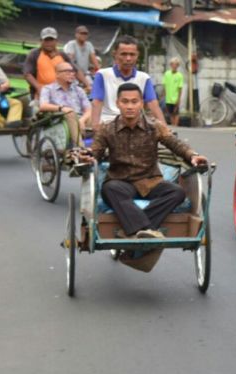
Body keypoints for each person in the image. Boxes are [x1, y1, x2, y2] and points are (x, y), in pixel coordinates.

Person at [80, 83, 208, 239]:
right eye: (125, 102)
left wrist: (193, 155)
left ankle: (134, 230)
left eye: (134, 102)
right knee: (109, 189)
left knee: (177, 192)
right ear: (117, 103)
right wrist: (88, 156)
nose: (130, 106)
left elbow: (175, 144)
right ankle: (147, 229)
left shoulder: (155, 126)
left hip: (151, 181)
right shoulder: (107, 128)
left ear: (141, 103)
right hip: (120, 181)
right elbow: (96, 151)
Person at [90, 35, 165, 130]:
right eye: (124, 54)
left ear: (137, 55)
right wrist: (95, 126)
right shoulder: (102, 75)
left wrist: (164, 128)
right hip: (109, 123)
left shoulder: (144, 77)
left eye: (132, 54)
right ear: (115, 54)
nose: (128, 58)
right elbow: (97, 102)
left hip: (136, 124)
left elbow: (153, 104)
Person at [23, 27, 90, 101]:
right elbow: (27, 74)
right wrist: (38, 87)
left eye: (51, 40)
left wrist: (87, 85)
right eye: (46, 40)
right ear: (41, 41)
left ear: (56, 41)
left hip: (62, 93)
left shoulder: (62, 55)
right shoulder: (34, 54)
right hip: (41, 94)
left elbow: (76, 70)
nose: (49, 43)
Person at [39, 62, 92, 144]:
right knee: (70, 113)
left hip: (79, 117)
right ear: (58, 74)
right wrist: (62, 108)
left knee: (97, 115)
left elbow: (88, 109)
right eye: (68, 72)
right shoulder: (48, 89)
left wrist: (82, 120)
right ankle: (81, 148)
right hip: (59, 119)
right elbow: (43, 106)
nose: (72, 74)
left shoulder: (78, 90)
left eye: (73, 72)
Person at [161, 57, 184, 126]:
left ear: (178, 66)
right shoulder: (167, 74)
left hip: (175, 98)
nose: (174, 66)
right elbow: (164, 85)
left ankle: (176, 126)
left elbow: (180, 88)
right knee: (170, 113)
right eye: (173, 64)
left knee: (176, 113)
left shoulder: (180, 75)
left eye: (176, 65)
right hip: (168, 98)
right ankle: (173, 126)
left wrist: (179, 99)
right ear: (170, 65)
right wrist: (164, 95)